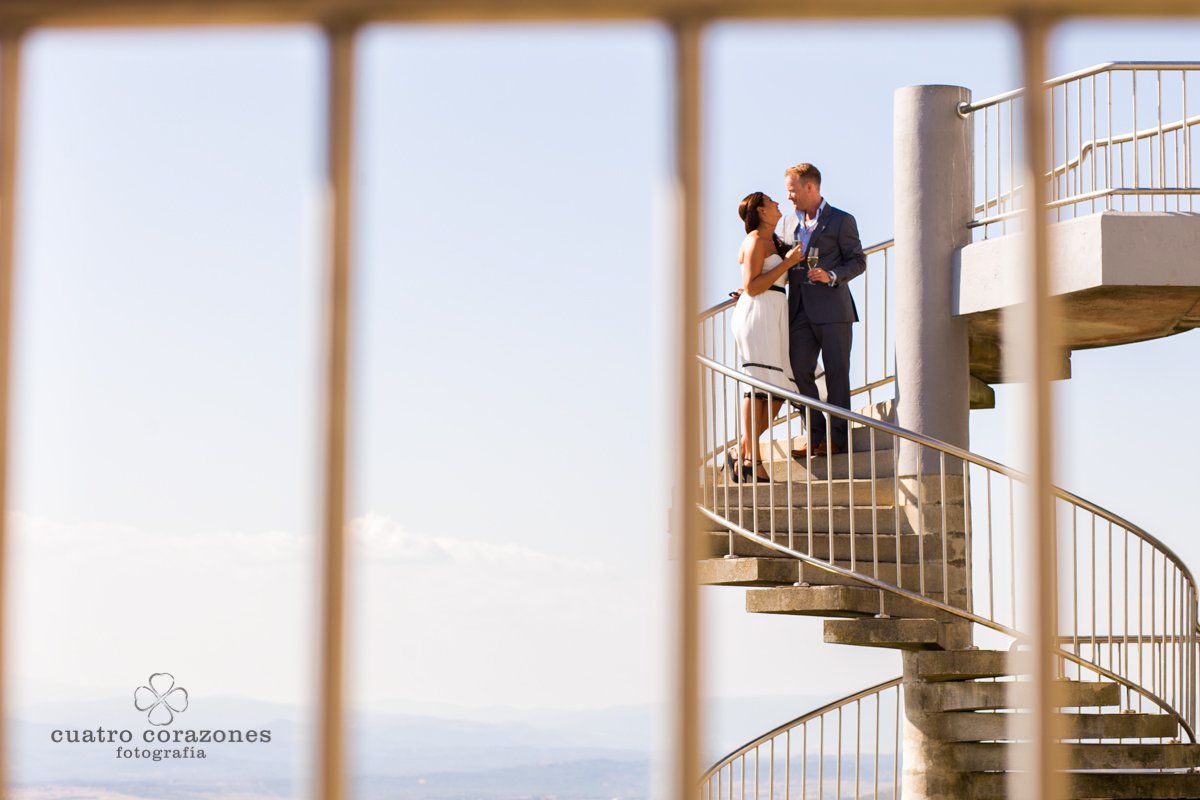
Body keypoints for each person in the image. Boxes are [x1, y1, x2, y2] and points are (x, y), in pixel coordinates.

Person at [778, 163, 866, 458]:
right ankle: (814, 435)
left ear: (810, 187)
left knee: (837, 375)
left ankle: (837, 440)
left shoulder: (842, 220)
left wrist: (830, 275)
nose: (789, 197)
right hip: (799, 310)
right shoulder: (787, 224)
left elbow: (858, 261)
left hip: (833, 310)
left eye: (792, 190)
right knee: (798, 368)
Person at [729, 191, 805, 482]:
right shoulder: (755, 240)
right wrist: (787, 263)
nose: (777, 204)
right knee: (758, 388)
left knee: (779, 389)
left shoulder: (772, 240)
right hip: (758, 314)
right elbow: (751, 286)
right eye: (772, 202)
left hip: (774, 313)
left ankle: (743, 450)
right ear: (760, 211)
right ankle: (752, 459)